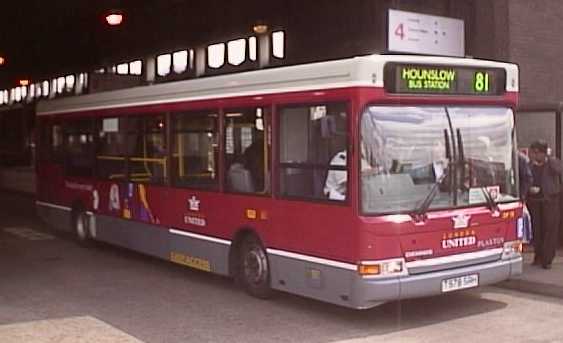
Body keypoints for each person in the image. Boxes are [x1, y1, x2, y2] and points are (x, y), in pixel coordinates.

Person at [527, 140, 562, 269]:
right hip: (535, 201)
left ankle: (547, 259)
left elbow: (559, 170)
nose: (535, 156)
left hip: (550, 201)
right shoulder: (530, 165)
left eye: (537, 153)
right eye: (533, 153)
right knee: (538, 230)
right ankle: (538, 256)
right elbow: (526, 179)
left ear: (543, 153)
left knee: (550, 230)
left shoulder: (552, 163)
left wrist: (549, 159)